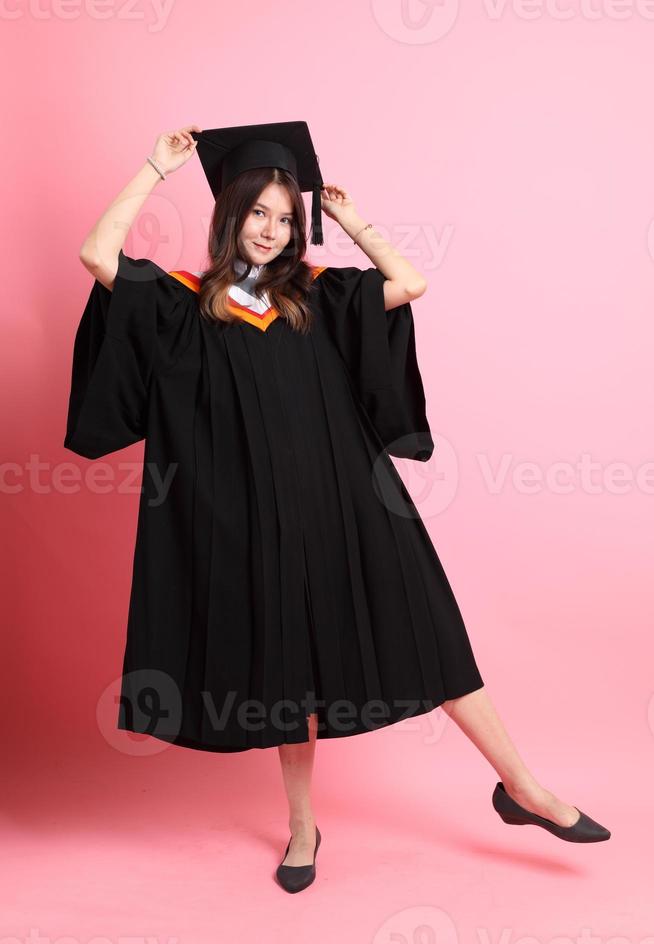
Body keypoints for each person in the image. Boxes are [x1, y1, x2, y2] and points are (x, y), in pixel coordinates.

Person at [64, 121, 610, 894]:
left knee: (430, 634)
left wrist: (350, 220)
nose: (272, 230)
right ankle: (301, 828)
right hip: (252, 523)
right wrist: (155, 167)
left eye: (287, 218)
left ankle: (522, 787)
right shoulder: (183, 306)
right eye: (259, 213)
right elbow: (96, 255)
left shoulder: (318, 295)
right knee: (291, 678)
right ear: (231, 216)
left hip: (350, 509)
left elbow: (410, 282)